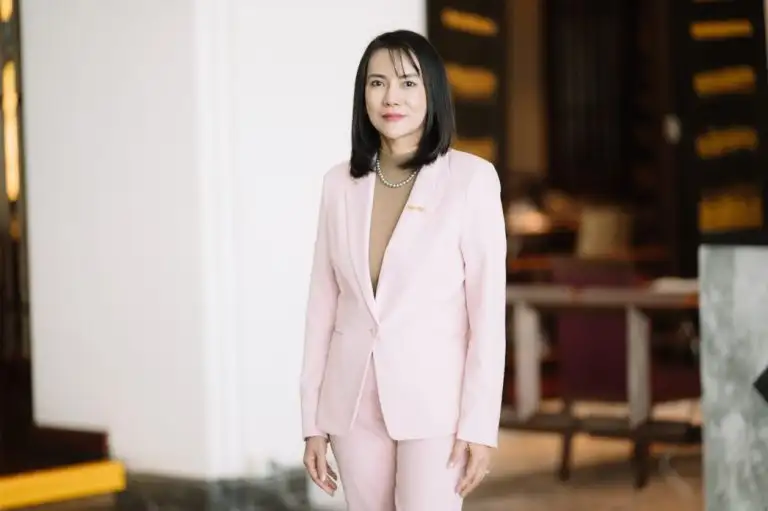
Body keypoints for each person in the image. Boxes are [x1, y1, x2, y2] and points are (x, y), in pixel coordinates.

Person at [300, 29, 507, 510]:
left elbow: (487, 315)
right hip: (352, 405)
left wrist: (480, 425)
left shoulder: (471, 180)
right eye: (377, 83)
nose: (391, 97)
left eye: (408, 82)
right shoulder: (338, 184)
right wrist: (312, 422)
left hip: (437, 408)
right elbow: (321, 306)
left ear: (432, 91)